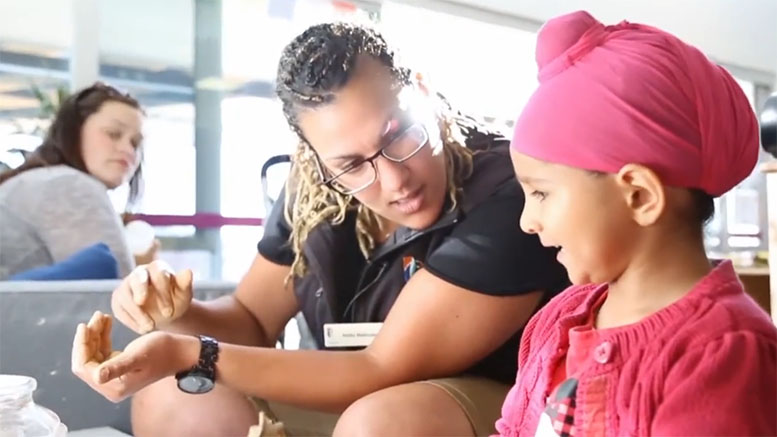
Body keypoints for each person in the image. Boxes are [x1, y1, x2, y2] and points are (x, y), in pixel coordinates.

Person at [70, 23, 569, 436]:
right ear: (312, 153)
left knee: (383, 423)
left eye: (399, 135)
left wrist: (191, 351)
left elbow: (382, 368)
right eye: (351, 164)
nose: (395, 181)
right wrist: (176, 315)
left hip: (487, 403)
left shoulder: (510, 191)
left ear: (421, 91)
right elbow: (250, 319)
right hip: (354, 398)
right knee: (173, 392)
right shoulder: (313, 188)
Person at [496, 11, 777, 436]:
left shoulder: (724, 354)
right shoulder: (560, 318)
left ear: (639, 196)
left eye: (541, 193)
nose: (527, 222)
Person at [0, 82, 155, 280]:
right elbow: (122, 297)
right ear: (74, 131)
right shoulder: (67, 184)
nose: (128, 150)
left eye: (135, 143)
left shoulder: (33, 181)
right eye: (113, 134)